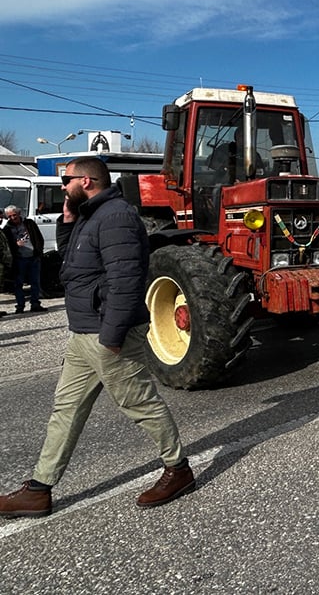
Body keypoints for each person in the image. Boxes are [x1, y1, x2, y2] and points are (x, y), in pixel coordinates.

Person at [0, 158, 194, 519]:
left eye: (66, 180)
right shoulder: (89, 214)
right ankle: (40, 489)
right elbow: (71, 266)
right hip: (82, 333)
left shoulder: (117, 216)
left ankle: (178, 468)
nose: (61, 186)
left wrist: (112, 335)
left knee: (139, 404)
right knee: (66, 409)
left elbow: (127, 280)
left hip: (107, 333)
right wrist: (68, 220)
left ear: (87, 181)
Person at [3, 205, 46, 313]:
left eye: (14, 215)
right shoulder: (7, 229)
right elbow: (6, 245)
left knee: (35, 282)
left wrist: (39, 252)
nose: (13, 218)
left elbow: (39, 238)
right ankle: (20, 305)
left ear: (19, 214)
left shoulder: (29, 224)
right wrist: (15, 244)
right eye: (10, 216)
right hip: (19, 259)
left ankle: (35, 304)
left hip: (33, 257)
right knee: (18, 284)